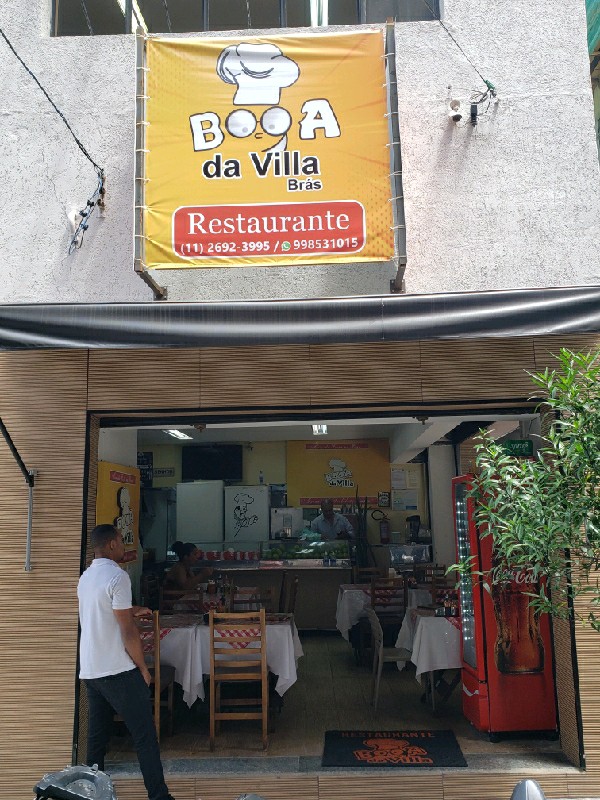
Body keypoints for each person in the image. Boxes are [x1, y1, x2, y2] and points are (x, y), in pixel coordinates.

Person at [77, 524, 174, 800]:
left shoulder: (86, 577)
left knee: (96, 740)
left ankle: (91, 794)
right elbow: (128, 631)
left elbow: (104, 610)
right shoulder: (118, 576)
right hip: (117, 669)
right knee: (145, 736)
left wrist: (132, 609)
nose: (123, 546)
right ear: (111, 544)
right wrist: (143, 667)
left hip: (92, 670)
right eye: (121, 541)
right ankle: (159, 796)